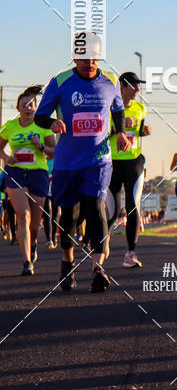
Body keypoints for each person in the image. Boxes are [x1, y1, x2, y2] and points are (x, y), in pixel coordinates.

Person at [34, 33, 131, 292]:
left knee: (96, 207)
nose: (90, 62)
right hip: (67, 161)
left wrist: (120, 131)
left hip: (98, 160)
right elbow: (40, 116)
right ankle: (67, 263)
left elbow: (118, 109)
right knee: (70, 217)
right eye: (84, 57)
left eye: (94, 57)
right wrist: (52, 123)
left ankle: (98, 268)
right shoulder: (60, 81)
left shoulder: (110, 80)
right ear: (75, 57)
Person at [0, 86, 55, 275]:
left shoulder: (43, 126)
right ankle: (26, 262)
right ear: (18, 108)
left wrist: (40, 146)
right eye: (24, 105)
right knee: (22, 215)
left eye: (32, 105)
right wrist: (7, 158)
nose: (28, 108)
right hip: (15, 172)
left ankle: (33, 246)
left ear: (36, 108)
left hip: (38, 174)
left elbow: (54, 151)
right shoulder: (9, 126)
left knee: (34, 223)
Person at [106, 71, 151, 267]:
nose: (137, 89)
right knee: (112, 211)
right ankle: (101, 245)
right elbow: (103, 134)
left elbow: (138, 130)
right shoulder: (109, 109)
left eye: (139, 85)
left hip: (134, 162)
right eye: (133, 85)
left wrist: (144, 131)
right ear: (122, 87)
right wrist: (119, 126)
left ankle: (130, 254)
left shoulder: (141, 108)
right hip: (112, 163)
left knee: (133, 207)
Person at [42, 155, 60, 249]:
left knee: (55, 214)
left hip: (55, 188)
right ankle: (48, 239)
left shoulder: (57, 159)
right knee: (47, 213)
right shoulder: (42, 159)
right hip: (45, 189)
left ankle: (54, 237)